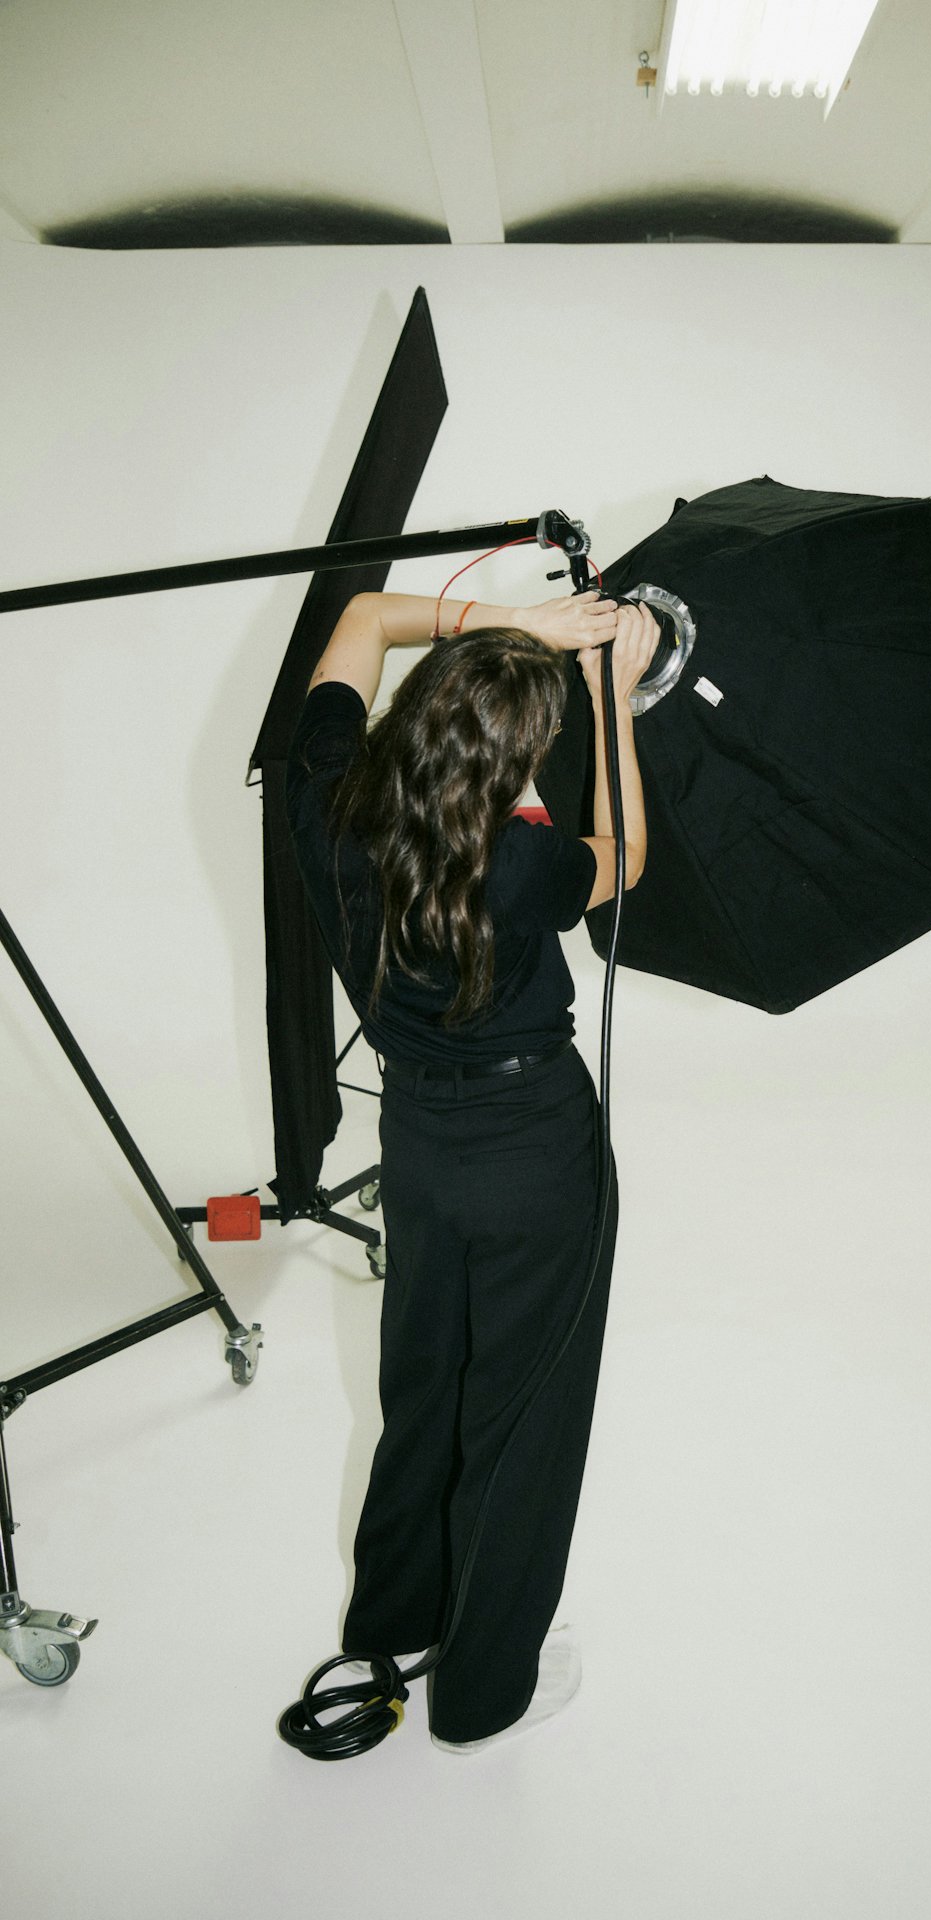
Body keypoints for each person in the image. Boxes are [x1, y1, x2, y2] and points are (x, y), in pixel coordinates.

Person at [285, 583, 659, 1751]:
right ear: (510, 763)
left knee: (424, 1386)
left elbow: (359, 618)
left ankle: (391, 1623)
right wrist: (610, 701)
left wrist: (508, 629)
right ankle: (487, 1687)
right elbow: (629, 856)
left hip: (419, 1150)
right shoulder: (520, 868)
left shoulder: (327, 798)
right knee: (521, 1416)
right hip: (535, 1150)